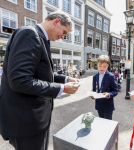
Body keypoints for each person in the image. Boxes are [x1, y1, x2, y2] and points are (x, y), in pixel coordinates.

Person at [0, 11, 81, 150]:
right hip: (25, 122)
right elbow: (20, 80)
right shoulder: (29, 34)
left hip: (34, 121)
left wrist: (66, 78)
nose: (62, 37)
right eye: (64, 32)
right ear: (56, 21)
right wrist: (62, 88)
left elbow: (41, 74)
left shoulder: (42, 39)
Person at [91, 55, 118, 120]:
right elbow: (95, 90)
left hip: (108, 106)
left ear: (107, 66)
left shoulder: (111, 76)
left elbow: (115, 91)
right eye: (100, 66)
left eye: (104, 66)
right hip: (99, 105)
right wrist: (92, 94)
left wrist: (109, 94)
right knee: (101, 123)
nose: (102, 68)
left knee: (108, 125)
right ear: (97, 64)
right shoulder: (95, 77)